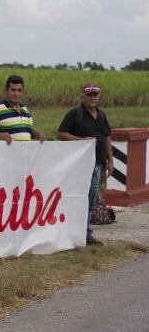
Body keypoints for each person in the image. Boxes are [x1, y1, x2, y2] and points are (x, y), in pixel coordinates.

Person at [57, 82, 113, 246]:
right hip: (81, 164)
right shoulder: (75, 114)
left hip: (98, 162)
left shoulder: (101, 115)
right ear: (82, 96)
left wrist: (110, 160)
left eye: (95, 94)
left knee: (91, 198)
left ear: (99, 96)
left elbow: (107, 137)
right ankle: (82, 233)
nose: (92, 97)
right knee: (82, 198)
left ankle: (85, 232)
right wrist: (81, 141)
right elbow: (61, 134)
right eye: (89, 94)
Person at [0, 75, 45, 144]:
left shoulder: (26, 111)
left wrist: (37, 134)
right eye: (13, 90)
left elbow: (26, 131)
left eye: (19, 90)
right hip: (3, 154)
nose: (16, 94)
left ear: (23, 92)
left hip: (24, 154)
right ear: (6, 91)